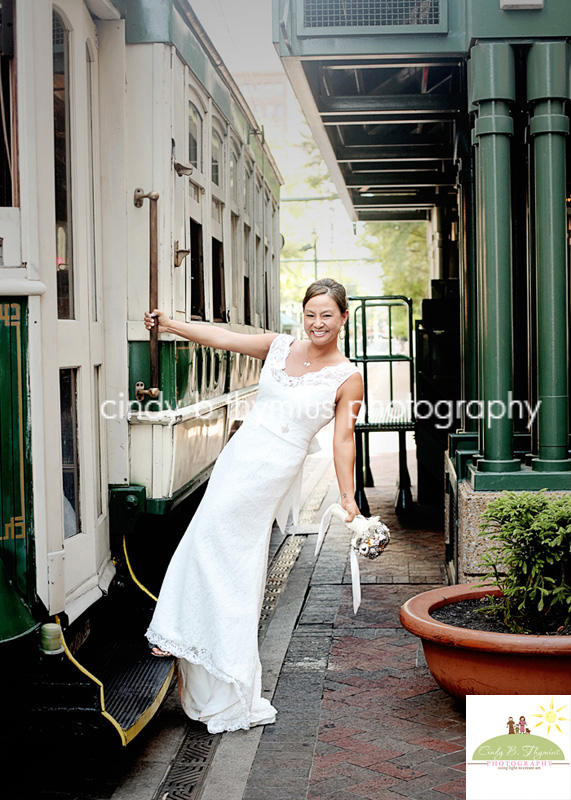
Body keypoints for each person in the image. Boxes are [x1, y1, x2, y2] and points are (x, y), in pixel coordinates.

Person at [144, 278, 363, 733]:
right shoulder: (279, 346)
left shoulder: (348, 376)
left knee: (230, 554)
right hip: (239, 456)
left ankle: (194, 642)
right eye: (310, 314)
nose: (317, 322)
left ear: (344, 317)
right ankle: (187, 636)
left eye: (327, 314)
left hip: (274, 469)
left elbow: (344, 438)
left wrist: (347, 496)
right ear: (302, 316)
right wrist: (172, 325)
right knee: (207, 539)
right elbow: (222, 338)